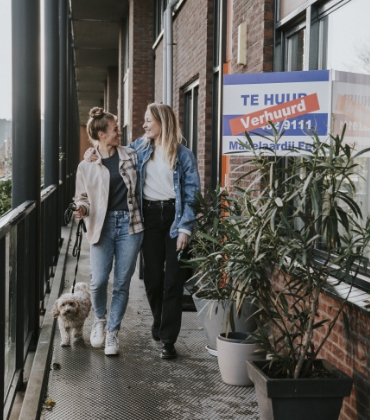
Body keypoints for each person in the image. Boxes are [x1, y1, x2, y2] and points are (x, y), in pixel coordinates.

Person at [85, 103, 201, 359]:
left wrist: (185, 228)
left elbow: (193, 194)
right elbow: (108, 152)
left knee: (173, 281)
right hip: (147, 217)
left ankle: (168, 341)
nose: (144, 125)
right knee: (152, 279)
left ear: (162, 122)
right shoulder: (139, 148)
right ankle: (159, 320)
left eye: (148, 121)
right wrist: (90, 154)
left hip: (175, 219)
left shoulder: (184, 155)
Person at [74, 107, 144, 356]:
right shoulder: (87, 165)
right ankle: (100, 320)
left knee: (122, 283)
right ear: (102, 134)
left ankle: (113, 332)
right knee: (99, 280)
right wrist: (81, 208)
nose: (119, 132)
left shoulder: (132, 156)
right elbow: (82, 197)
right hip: (101, 226)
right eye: (115, 129)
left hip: (130, 225)